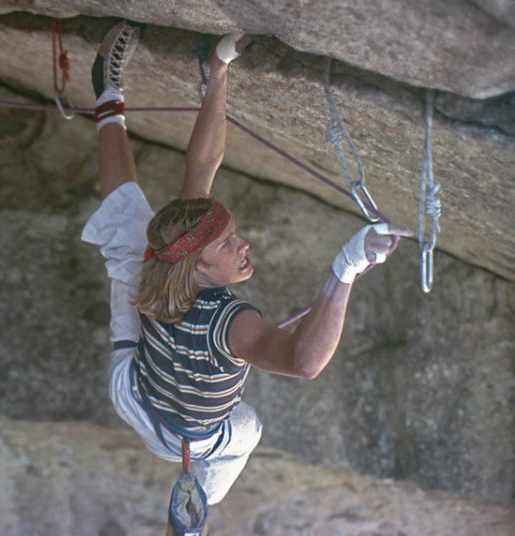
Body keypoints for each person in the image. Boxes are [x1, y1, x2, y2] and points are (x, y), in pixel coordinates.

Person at [82, 23, 411, 506]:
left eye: (232, 235)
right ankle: (204, 502)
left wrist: (219, 70)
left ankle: (108, 94)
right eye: (228, 242)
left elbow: (202, 166)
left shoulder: (165, 259)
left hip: (136, 387)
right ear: (198, 265)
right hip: (168, 427)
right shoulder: (228, 324)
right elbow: (304, 362)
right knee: (247, 428)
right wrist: (346, 266)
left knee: (125, 224)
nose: (244, 245)